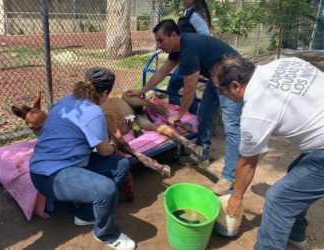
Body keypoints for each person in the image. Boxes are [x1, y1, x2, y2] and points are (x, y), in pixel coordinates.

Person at [211, 54, 324, 250]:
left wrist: (236, 196)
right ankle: (296, 237)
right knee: (296, 174)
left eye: (222, 89)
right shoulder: (287, 62)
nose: (221, 95)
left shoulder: (255, 110)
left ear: (236, 85)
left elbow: (247, 163)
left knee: (279, 199)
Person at [128, 20, 244, 195]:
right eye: (157, 41)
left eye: (161, 40)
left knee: (233, 128)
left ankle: (230, 177)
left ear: (174, 35)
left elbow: (189, 91)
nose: (159, 46)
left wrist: (179, 115)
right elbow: (161, 72)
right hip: (216, 78)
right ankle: (201, 155)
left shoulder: (188, 52)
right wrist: (141, 90)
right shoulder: (178, 48)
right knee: (204, 116)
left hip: (234, 79)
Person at [29, 67, 136, 250]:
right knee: (107, 190)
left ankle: (85, 215)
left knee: (121, 164)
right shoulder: (94, 112)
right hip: (49, 175)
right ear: (105, 93)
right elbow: (104, 151)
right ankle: (107, 234)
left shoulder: (64, 100)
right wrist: (112, 146)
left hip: (65, 164)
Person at [167, 0, 213, 115]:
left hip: (190, 59)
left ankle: (179, 118)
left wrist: (195, 56)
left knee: (173, 89)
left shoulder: (195, 14)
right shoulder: (191, 12)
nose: (183, 0)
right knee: (189, 90)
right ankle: (191, 117)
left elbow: (205, 38)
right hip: (185, 59)